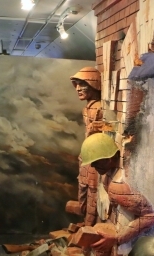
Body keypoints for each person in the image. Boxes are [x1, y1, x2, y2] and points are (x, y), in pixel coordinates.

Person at [80, 133, 154, 256]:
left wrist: (118, 238)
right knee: (99, 233)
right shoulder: (110, 175)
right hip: (127, 228)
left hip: (145, 241)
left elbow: (152, 216)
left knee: (102, 239)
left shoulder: (119, 186)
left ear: (109, 158)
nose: (94, 167)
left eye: (96, 162)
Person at [66, 66, 104, 227]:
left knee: (92, 192)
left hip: (95, 159)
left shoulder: (100, 108)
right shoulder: (86, 109)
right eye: (77, 84)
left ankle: (89, 228)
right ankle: (85, 223)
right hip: (85, 157)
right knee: (82, 191)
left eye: (82, 84)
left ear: (93, 84)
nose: (78, 89)